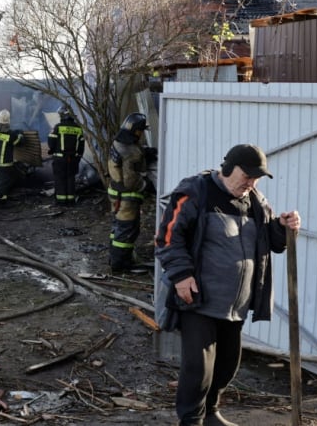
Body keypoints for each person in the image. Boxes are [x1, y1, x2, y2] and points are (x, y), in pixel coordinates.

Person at [155, 143, 301, 426]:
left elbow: (271, 242)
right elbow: (168, 238)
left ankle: (211, 413)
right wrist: (182, 276)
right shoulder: (196, 191)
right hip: (199, 299)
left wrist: (283, 227)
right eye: (247, 176)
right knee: (198, 369)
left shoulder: (256, 201)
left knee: (226, 366)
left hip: (236, 305)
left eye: (256, 178)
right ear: (228, 168)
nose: (251, 183)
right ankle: (191, 420)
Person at [107, 112, 153, 272]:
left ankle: (114, 258)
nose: (141, 134)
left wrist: (145, 153)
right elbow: (130, 180)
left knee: (118, 227)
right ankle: (122, 265)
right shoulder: (131, 152)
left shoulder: (119, 142)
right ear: (135, 130)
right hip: (127, 198)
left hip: (115, 193)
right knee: (128, 229)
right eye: (141, 130)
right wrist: (146, 185)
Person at [47, 105, 84, 206]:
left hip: (60, 158)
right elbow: (81, 146)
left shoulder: (58, 127)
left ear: (64, 115)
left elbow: (51, 143)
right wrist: (78, 157)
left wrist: (52, 151)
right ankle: (70, 201)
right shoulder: (78, 128)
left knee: (60, 178)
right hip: (73, 159)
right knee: (70, 178)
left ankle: (61, 201)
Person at [0, 109, 23, 206]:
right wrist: (20, 134)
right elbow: (18, 142)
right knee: (4, 182)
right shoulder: (10, 134)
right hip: (5, 164)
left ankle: (2, 199)